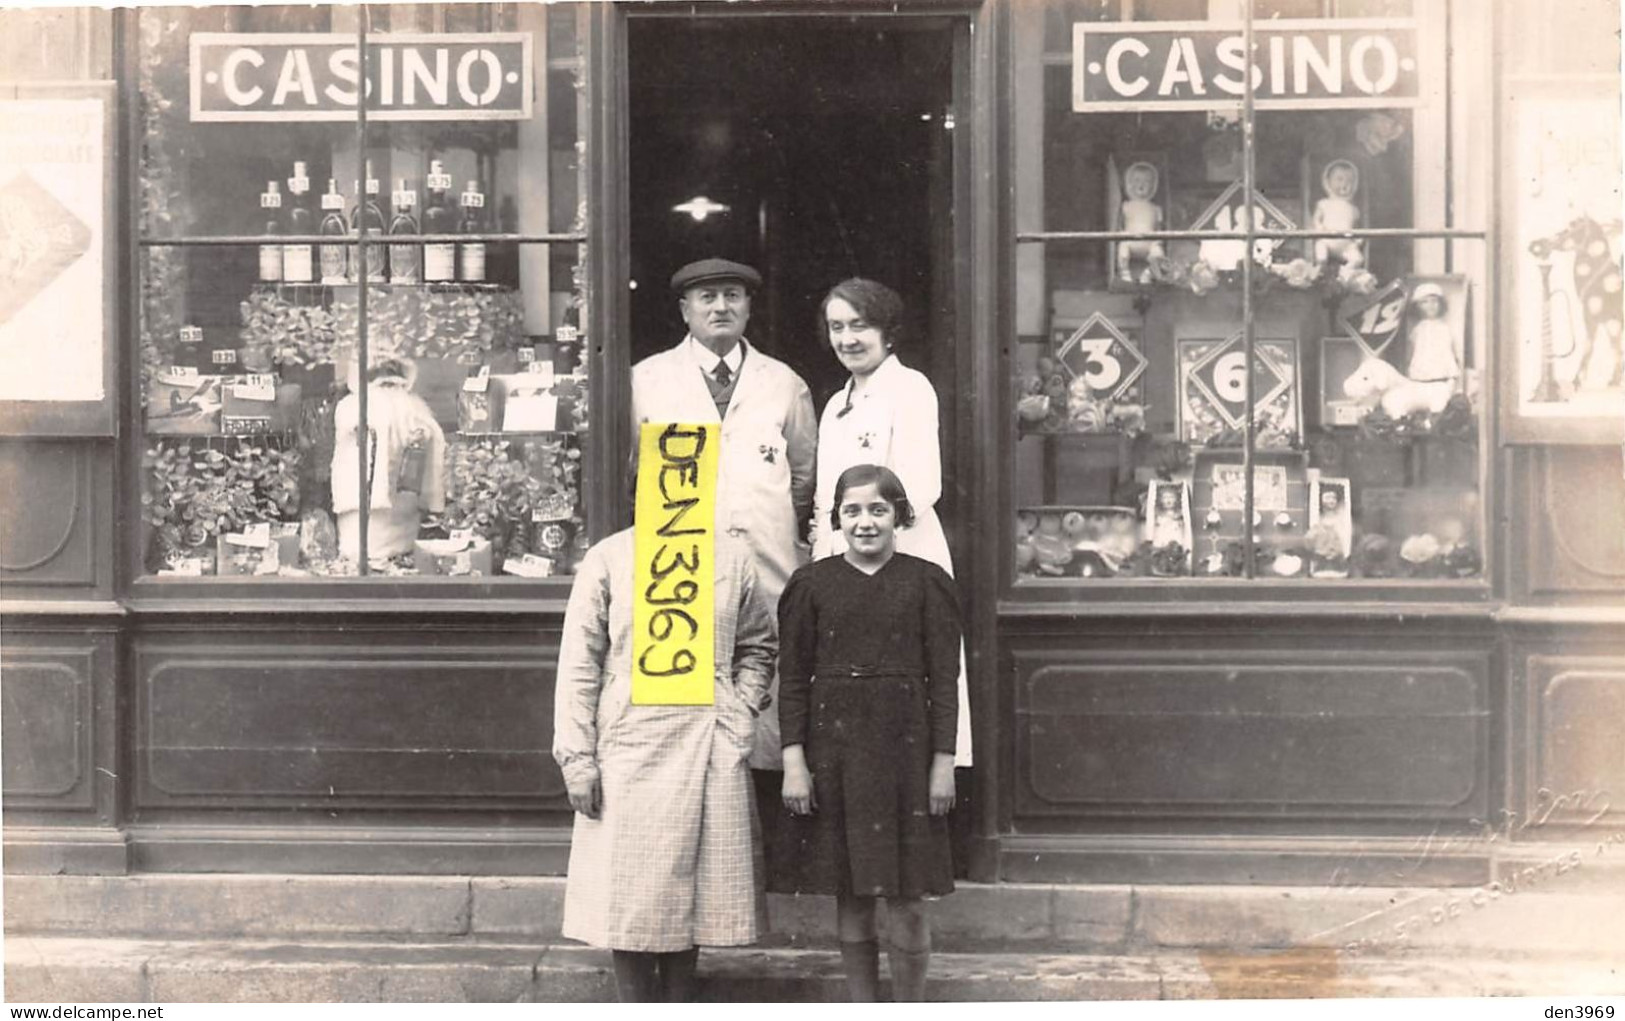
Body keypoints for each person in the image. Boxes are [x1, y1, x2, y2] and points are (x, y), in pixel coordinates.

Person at [552, 525, 777, 1002]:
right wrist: (578, 758)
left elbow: (759, 644)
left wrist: (739, 708)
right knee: (631, 894)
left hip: (707, 742)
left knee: (692, 890)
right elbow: (579, 662)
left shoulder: (731, 557)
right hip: (628, 742)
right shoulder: (610, 556)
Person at [773, 464, 959, 1002]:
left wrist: (942, 762)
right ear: (836, 519)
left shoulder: (927, 583)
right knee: (850, 892)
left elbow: (945, 681)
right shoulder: (811, 585)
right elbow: (792, 683)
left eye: (878, 510)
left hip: (907, 753)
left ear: (898, 515)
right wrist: (794, 762)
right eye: (852, 511)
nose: (865, 522)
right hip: (836, 754)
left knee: (907, 894)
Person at [811, 278, 973, 766]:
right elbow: (825, 499)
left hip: (902, 556)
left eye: (860, 325)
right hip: (844, 562)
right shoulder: (837, 403)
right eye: (837, 327)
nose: (848, 339)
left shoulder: (910, 389)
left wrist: (871, 549)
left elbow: (921, 486)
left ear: (886, 331)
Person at [330, 354, 445, 562]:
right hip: (377, 504)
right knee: (367, 545)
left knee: (365, 549)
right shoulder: (412, 405)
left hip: (383, 503)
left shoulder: (355, 405)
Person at [1116, 161, 1166, 283]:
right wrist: (1122, 234)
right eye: (1137, 181)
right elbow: (1119, 224)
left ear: (1153, 185)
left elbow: (1159, 228)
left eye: (1146, 181)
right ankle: (1124, 272)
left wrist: (1158, 240)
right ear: (1129, 184)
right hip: (1131, 241)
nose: (1141, 185)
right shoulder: (1126, 206)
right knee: (1122, 248)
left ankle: (1148, 273)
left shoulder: (1156, 208)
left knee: (1159, 253)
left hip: (1149, 243)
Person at [1405, 282, 1461, 389]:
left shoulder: (1444, 328)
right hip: (1421, 374)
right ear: (1417, 307)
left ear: (1441, 304)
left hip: (1442, 373)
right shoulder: (1417, 329)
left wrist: (1452, 370)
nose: (1430, 306)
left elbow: (1448, 349)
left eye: (1434, 301)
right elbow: (1412, 350)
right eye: (1424, 302)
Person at [1313, 159, 1364, 268]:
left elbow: (1357, 228)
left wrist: (1358, 240)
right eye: (1339, 179)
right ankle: (1319, 269)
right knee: (1320, 250)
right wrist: (1319, 229)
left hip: (1346, 245)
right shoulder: (1324, 204)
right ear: (1328, 182)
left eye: (1350, 181)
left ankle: (1345, 273)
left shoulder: (1353, 209)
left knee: (1358, 259)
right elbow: (1316, 219)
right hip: (1327, 240)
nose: (1344, 184)